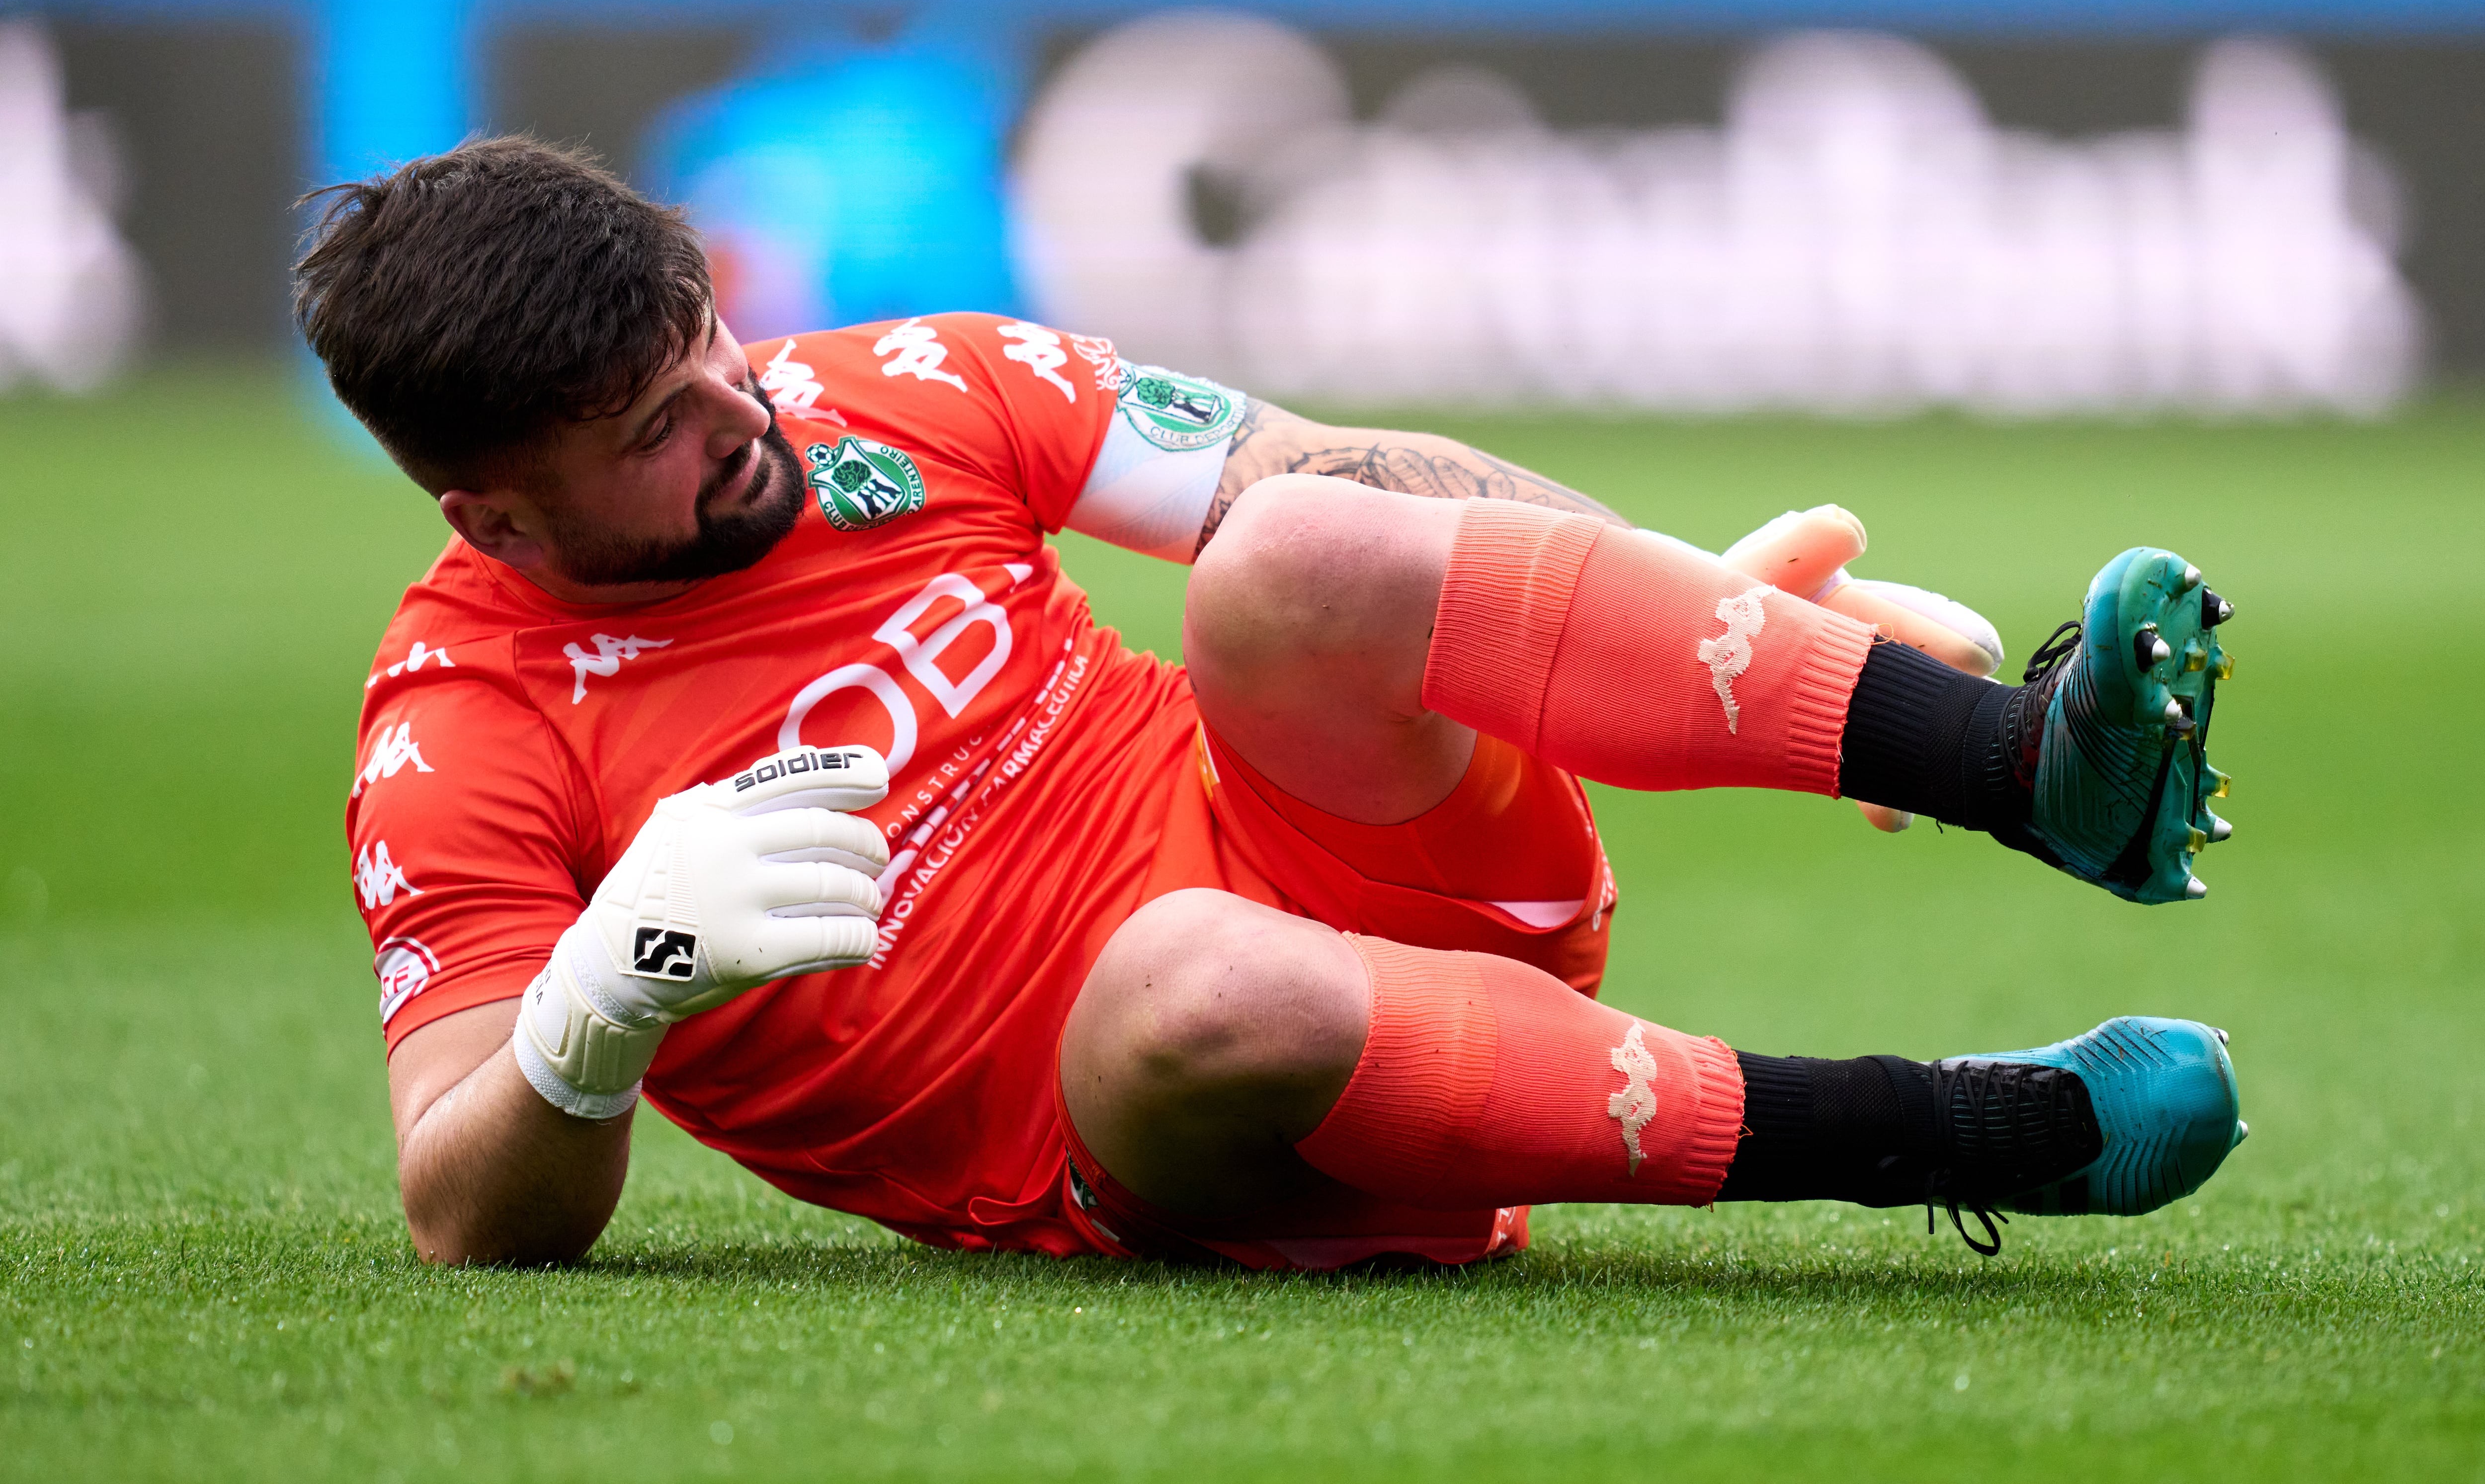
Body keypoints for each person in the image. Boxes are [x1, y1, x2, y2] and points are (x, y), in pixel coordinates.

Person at [304, 137, 2246, 1271]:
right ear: (494, 508)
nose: (743, 414)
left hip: (1368, 852)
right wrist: (599, 1008)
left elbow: (1344, 484)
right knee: (1194, 980)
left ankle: (2035, 772)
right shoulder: (455, 736)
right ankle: (1979, 1135)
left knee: (1283, 545)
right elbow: (466, 1204)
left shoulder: (887, 381)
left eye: (710, 344)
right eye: (656, 431)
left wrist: (1741, 611)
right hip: (1175, 1109)